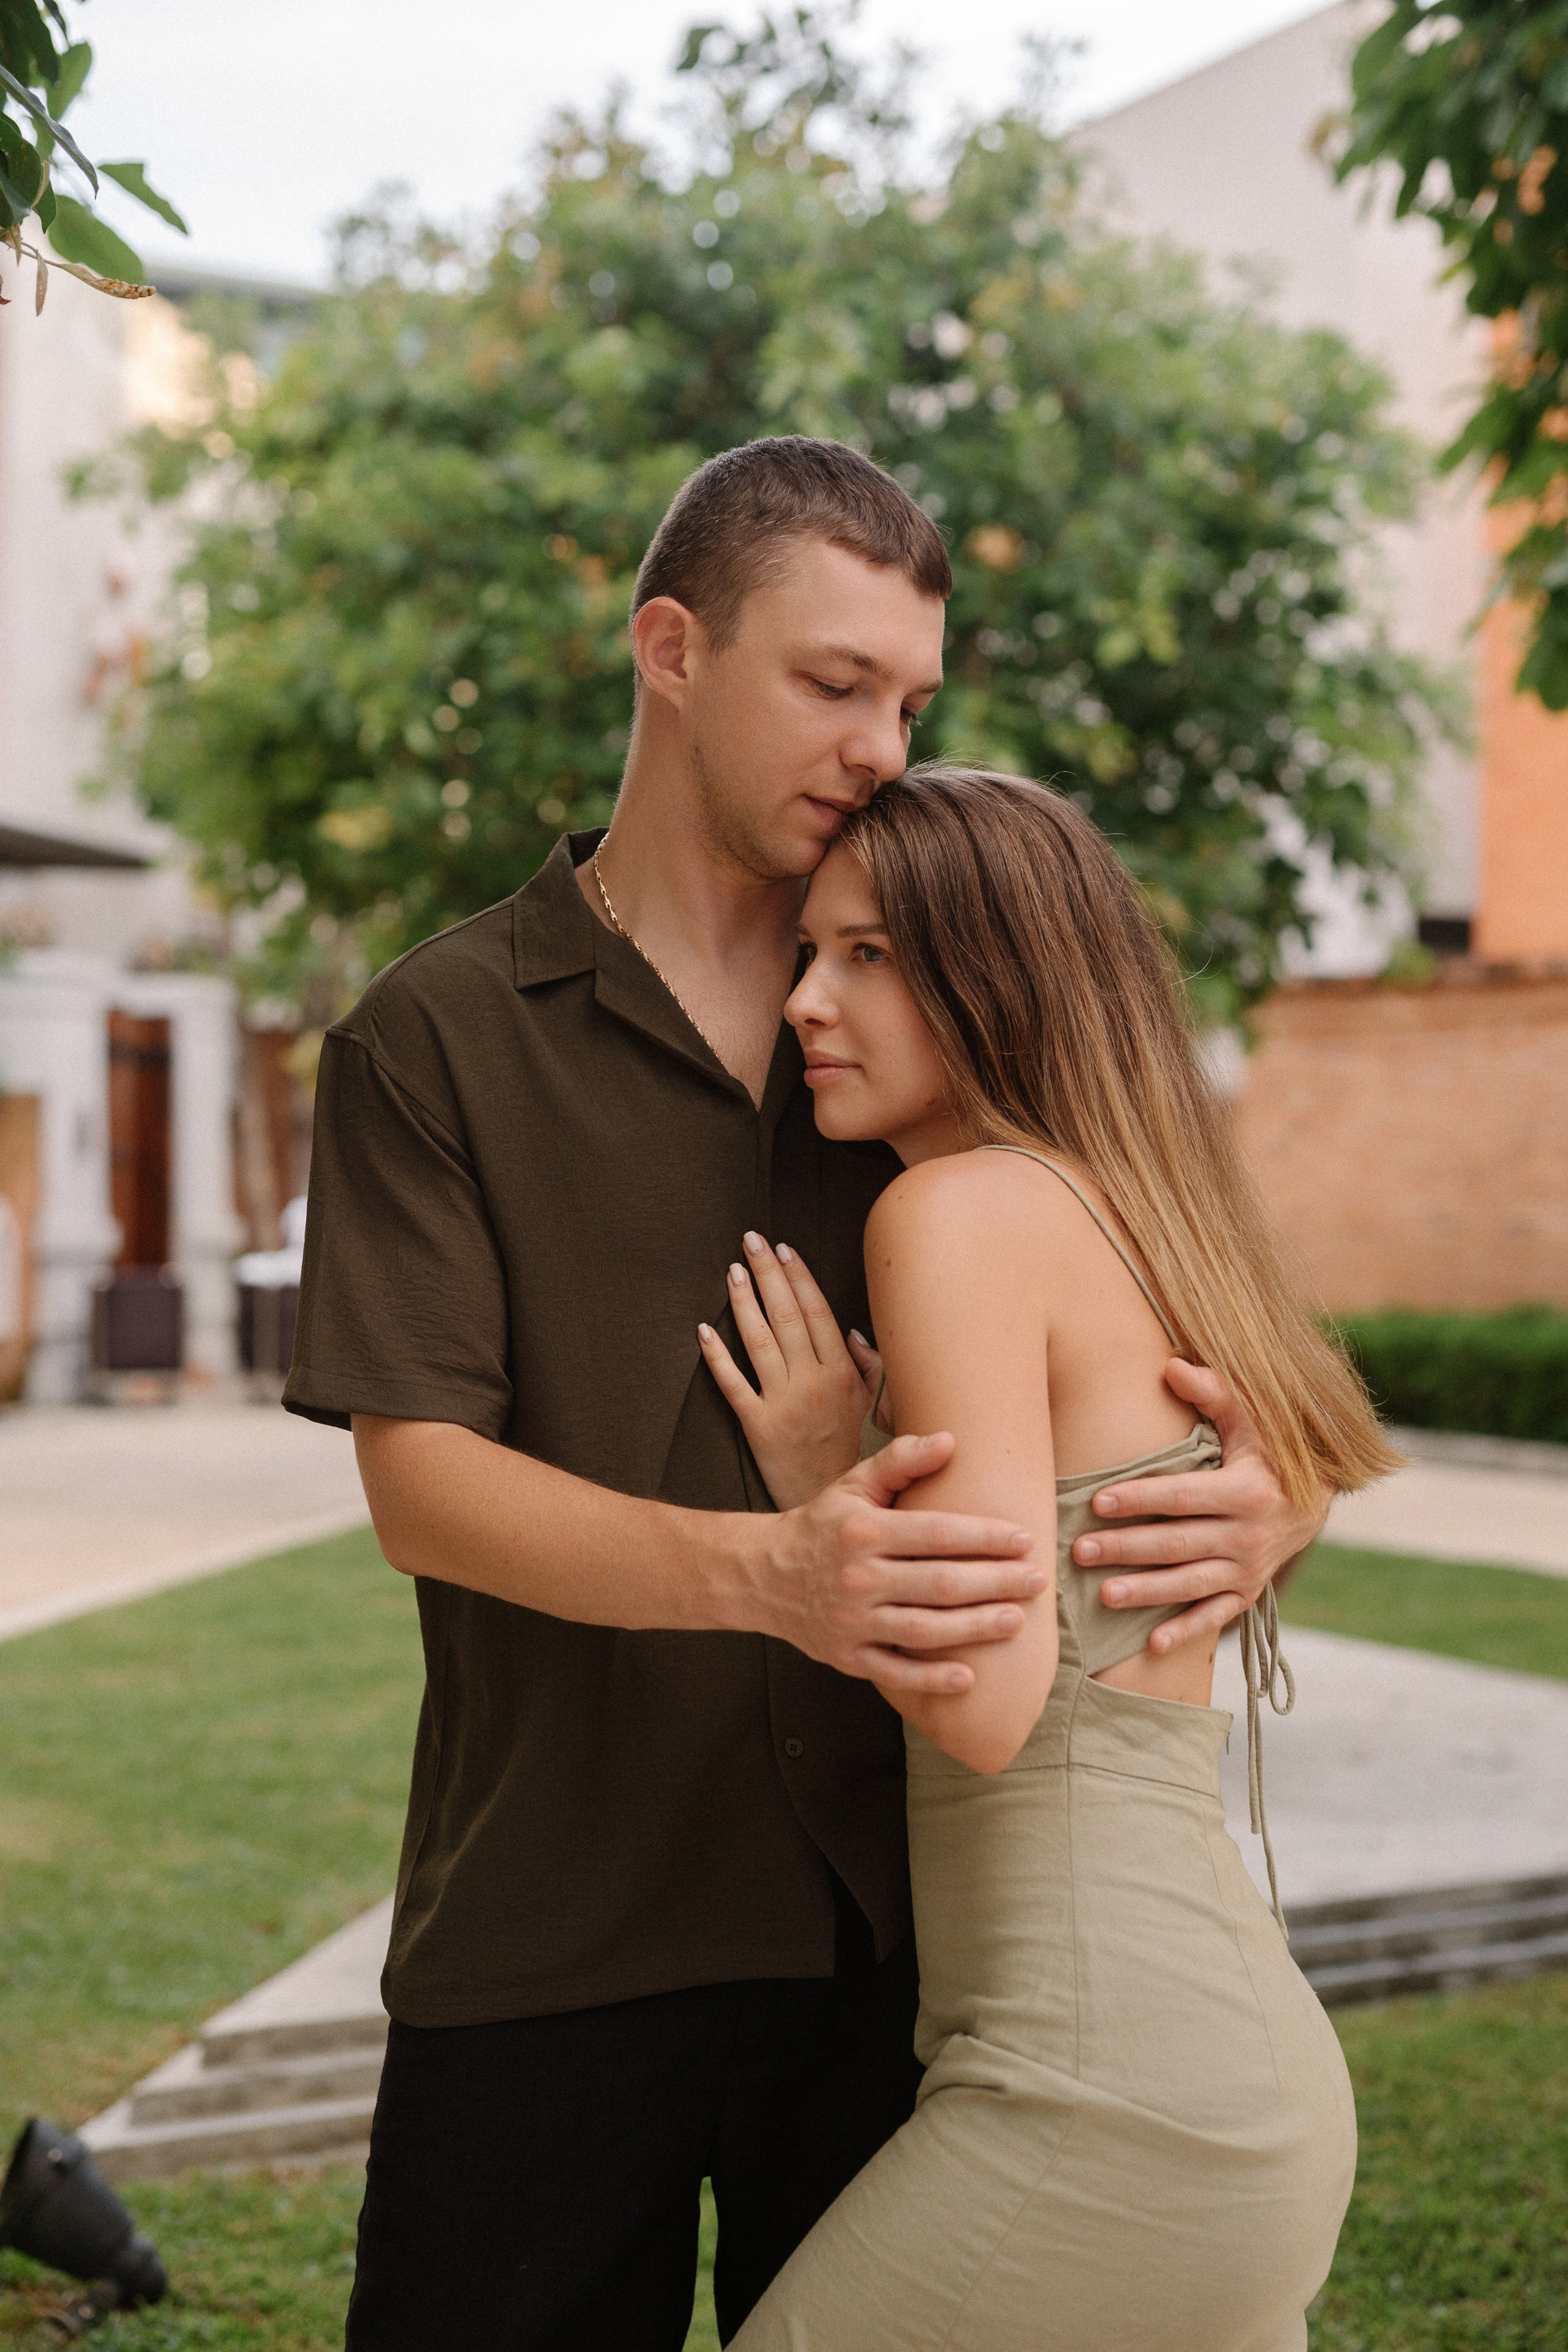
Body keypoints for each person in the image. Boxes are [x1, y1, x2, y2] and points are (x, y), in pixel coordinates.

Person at [282, 437, 1329, 2350]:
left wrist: (1273, 1501)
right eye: (834, 684)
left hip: (892, 1961)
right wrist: (782, 1570)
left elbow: (1172, 1314)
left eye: (913, 699)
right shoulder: (432, 1040)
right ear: (670, 647)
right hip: (553, 1930)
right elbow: (421, 1483)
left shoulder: (932, 1024)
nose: (879, 741)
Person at [694, 765, 1397, 2352]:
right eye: (812, 950)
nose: (808, 999)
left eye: (870, 955)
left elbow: (992, 1699)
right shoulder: (1137, 1209)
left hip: (1105, 2098)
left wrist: (826, 1482)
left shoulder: (952, 1216)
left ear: (999, 974)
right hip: (1216, 2071)